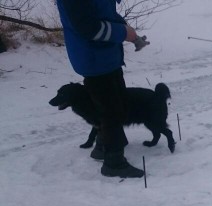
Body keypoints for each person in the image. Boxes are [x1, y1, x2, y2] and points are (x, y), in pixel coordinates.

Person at [56, 0, 149, 178]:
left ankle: (102, 145)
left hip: (107, 56)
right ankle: (114, 163)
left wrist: (127, 30)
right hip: (93, 60)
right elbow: (88, 28)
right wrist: (123, 32)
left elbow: (105, 13)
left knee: (119, 104)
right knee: (111, 112)